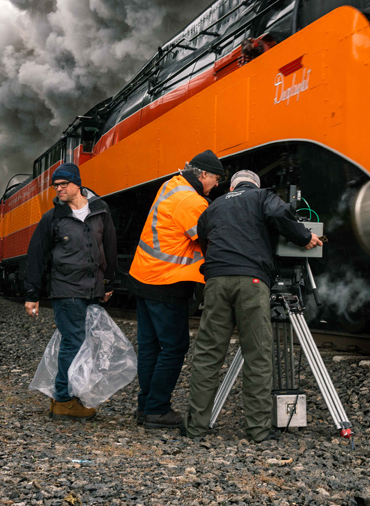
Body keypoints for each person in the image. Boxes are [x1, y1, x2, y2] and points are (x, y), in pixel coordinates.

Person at [184, 170, 321, 443]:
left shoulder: (214, 206)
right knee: (257, 355)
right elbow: (281, 214)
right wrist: (304, 237)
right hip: (252, 281)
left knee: (208, 355)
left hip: (216, 281)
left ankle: (195, 427)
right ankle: (258, 430)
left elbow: (203, 238)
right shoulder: (262, 196)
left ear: (232, 187)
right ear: (254, 184)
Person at [128, 149, 223, 429]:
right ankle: (157, 410)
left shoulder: (172, 185)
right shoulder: (190, 201)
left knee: (149, 347)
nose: (217, 184)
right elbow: (209, 237)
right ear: (203, 174)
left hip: (144, 275)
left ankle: (145, 407)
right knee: (174, 347)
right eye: (216, 179)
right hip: (166, 281)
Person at [23, 162, 118, 420]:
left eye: (63, 184)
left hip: (92, 289)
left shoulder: (100, 210)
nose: (59, 189)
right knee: (73, 342)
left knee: (86, 343)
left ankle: (71, 396)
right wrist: (32, 294)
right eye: (55, 186)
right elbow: (36, 256)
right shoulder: (52, 218)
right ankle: (63, 400)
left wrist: (109, 283)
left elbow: (109, 248)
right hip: (66, 290)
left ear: (77, 183)